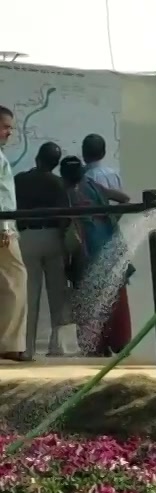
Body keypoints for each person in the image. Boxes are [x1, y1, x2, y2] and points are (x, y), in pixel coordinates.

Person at [59, 155, 131, 356]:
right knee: (116, 293)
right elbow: (124, 199)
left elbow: (67, 227)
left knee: (89, 293)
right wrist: (110, 219)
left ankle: (96, 346)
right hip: (109, 241)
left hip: (87, 249)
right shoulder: (94, 186)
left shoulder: (67, 195)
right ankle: (120, 342)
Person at [15, 141, 73, 358]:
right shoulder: (59, 183)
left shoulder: (19, 180)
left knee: (29, 295)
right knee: (57, 294)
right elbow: (65, 217)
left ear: (37, 159)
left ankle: (25, 348)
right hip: (53, 237)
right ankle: (59, 348)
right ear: (56, 163)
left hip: (27, 236)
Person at [0, 105, 29, 362]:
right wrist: (5, 228)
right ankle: (9, 343)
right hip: (3, 227)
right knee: (15, 281)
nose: (9, 132)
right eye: (5, 126)